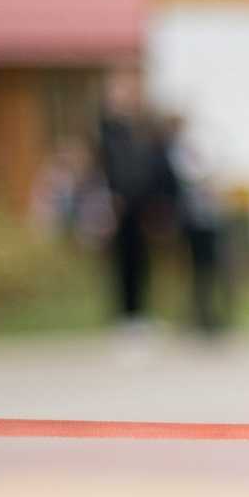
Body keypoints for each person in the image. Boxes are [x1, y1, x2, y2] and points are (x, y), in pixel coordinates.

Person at [95, 70, 174, 355]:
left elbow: (152, 164)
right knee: (122, 264)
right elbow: (105, 167)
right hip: (118, 204)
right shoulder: (105, 128)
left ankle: (140, 316)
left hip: (141, 204)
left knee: (142, 262)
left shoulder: (141, 127)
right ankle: (125, 319)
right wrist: (109, 199)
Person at [166, 113, 232, 338]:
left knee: (214, 268)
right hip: (190, 219)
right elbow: (190, 174)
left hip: (210, 218)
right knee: (192, 269)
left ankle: (212, 314)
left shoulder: (204, 144)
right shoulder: (179, 150)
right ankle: (194, 315)